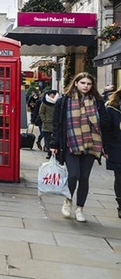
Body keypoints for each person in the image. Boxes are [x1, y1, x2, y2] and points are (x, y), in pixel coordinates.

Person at [49, 72, 111, 223]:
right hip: (71, 142)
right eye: (83, 83)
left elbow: (106, 123)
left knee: (84, 178)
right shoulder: (64, 101)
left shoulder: (97, 101)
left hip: (91, 143)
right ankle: (68, 201)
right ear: (76, 83)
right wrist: (54, 144)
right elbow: (57, 123)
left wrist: (99, 122)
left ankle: (79, 209)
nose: (86, 86)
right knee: (73, 175)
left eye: (89, 84)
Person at [104, 88, 121, 219]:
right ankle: (120, 205)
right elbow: (107, 131)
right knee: (120, 178)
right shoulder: (112, 109)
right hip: (117, 148)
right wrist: (105, 148)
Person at [36, 89, 58, 158]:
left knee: (54, 139)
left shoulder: (58, 102)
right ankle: (49, 152)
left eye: (54, 95)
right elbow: (41, 112)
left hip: (55, 123)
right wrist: (44, 120)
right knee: (47, 139)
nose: (52, 96)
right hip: (47, 124)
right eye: (51, 94)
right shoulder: (44, 102)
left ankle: (53, 153)